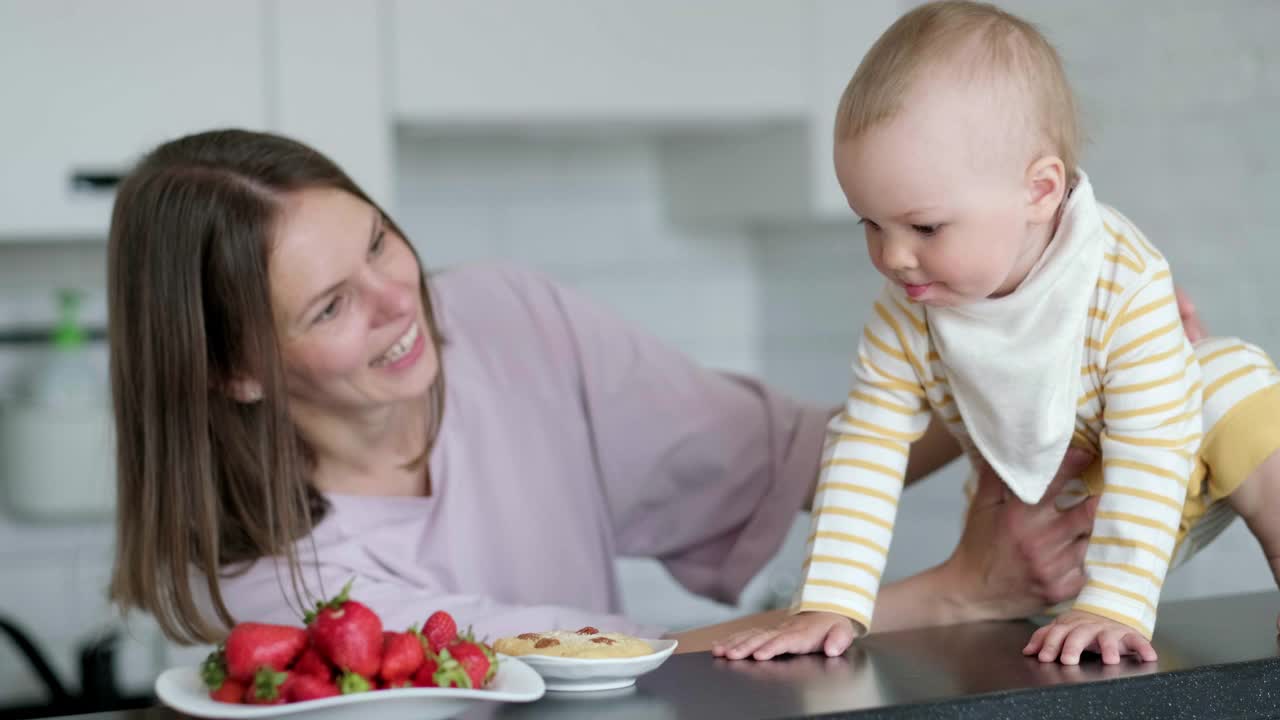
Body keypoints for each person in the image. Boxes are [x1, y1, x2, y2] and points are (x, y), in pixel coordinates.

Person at [105, 128, 1103, 653]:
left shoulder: (501, 319)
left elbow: (786, 456)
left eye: (378, 241)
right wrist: (948, 595)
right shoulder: (268, 583)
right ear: (232, 371)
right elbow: (593, 659)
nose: (395, 301)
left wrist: (1042, 370)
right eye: (328, 308)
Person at [714, 0, 1280, 666]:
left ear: (1038, 192)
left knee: (1234, 376)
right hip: (1049, 532)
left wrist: (1116, 602)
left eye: (924, 227)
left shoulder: (1120, 278)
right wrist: (830, 602)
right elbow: (867, 443)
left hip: (1157, 485)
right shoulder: (906, 314)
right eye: (869, 224)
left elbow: (1154, 439)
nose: (893, 257)